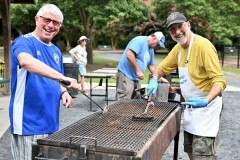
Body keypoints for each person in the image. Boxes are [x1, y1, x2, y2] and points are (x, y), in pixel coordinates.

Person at [147, 12, 226, 159]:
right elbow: (162, 68)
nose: (177, 32)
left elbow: (219, 81)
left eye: (180, 26)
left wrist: (205, 100)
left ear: (188, 24)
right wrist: (154, 78)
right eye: (172, 29)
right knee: (190, 150)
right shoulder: (178, 48)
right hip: (190, 107)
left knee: (202, 155)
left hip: (207, 108)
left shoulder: (203, 46)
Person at [9, 4, 80, 160]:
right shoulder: (23, 42)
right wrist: (64, 79)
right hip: (28, 123)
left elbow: (56, 77)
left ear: (59, 26)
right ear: (36, 19)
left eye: (55, 23)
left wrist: (64, 91)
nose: (50, 25)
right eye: (46, 20)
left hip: (51, 122)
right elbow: (26, 61)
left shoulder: (55, 50)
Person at [116, 31, 166, 100]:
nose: (157, 47)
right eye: (157, 44)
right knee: (124, 100)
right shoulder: (140, 40)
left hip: (136, 78)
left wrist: (158, 77)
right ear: (154, 38)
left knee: (136, 101)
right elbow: (129, 55)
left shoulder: (151, 49)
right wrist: (138, 71)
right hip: (126, 74)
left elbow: (151, 65)